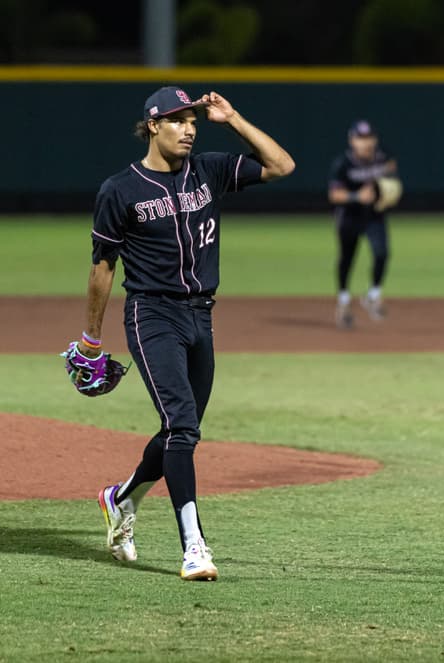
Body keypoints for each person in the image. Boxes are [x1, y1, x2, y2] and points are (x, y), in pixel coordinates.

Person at [69, 86, 294, 581]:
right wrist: (90, 339)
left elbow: (281, 166)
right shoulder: (120, 190)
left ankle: (120, 497)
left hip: (202, 318)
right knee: (184, 426)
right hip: (152, 317)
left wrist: (232, 118)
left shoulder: (208, 171)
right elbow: (102, 268)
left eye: (192, 120)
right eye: (176, 120)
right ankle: (194, 546)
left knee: (180, 431)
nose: (189, 128)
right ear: (152, 126)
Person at [328, 120, 398, 328]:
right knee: (347, 259)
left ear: (375, 140)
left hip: (374, 215)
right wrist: (356, 196)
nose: (365, 143)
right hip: (349, 216)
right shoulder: (342, 164)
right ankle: (343, 302)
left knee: (382, 253)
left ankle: (373, 295)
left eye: (368, 138)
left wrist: (390, 192)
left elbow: (392, 174)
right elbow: (334, 195)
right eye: (360, 138)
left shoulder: (384, 156)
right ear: (352, 140)